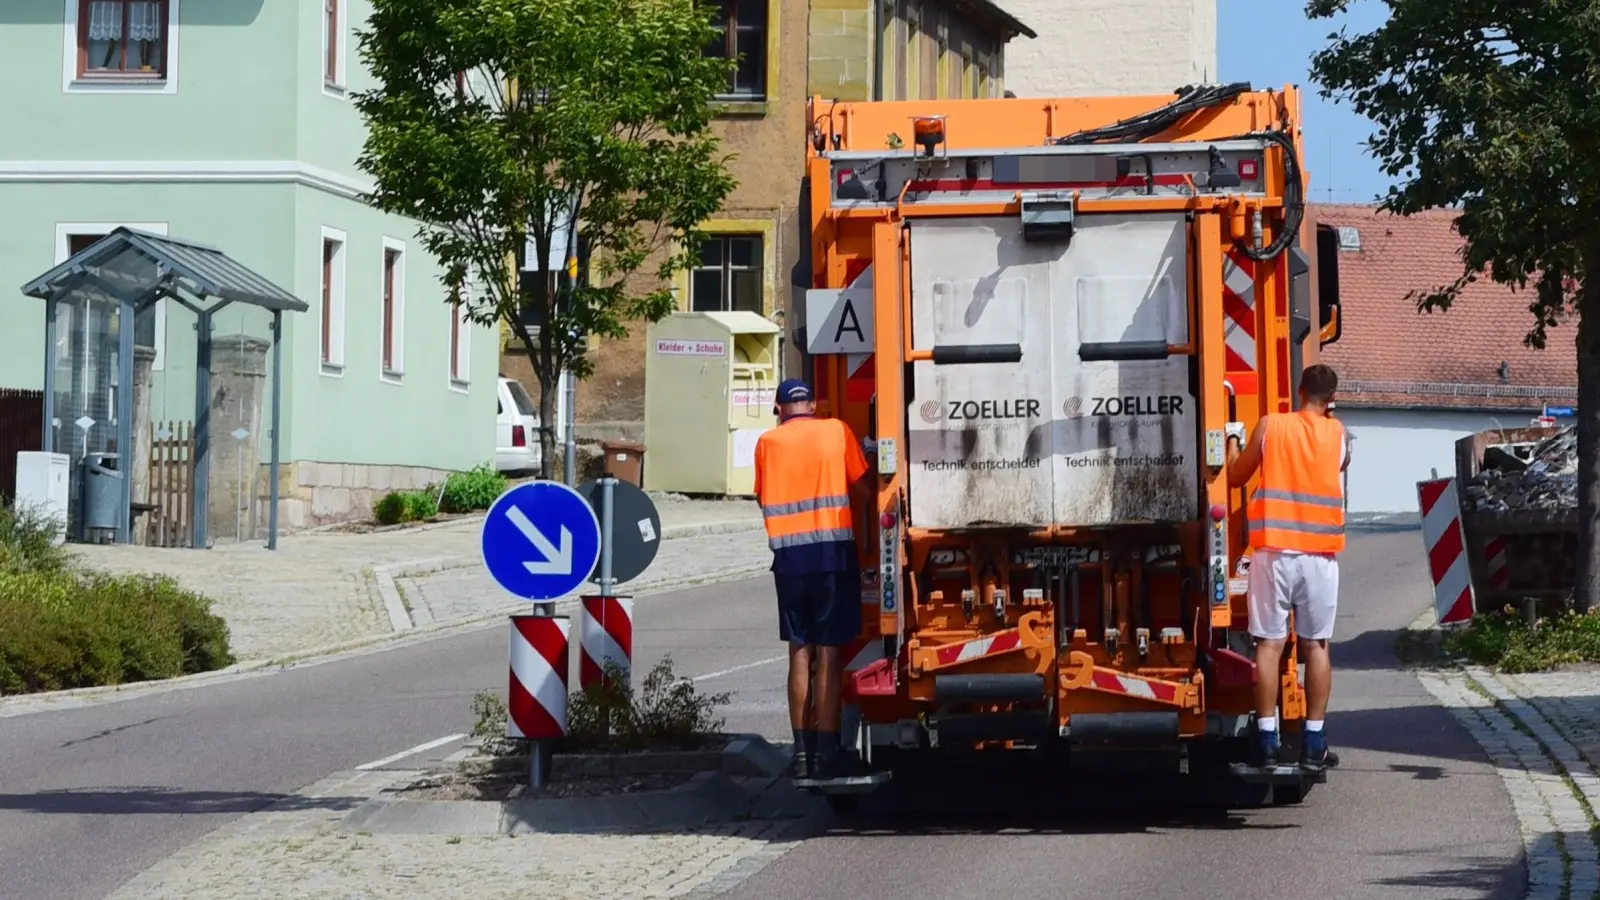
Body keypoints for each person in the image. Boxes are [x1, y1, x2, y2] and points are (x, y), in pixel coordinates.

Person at [1225, 363, 1351, 772]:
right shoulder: (1340, 434)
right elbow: (1340, 465)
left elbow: (1235, 476)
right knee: (1316, 645)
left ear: (1299, 391)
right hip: (1319, 557)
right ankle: (1314, 741)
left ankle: (1266, 739)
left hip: (1275, 554)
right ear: (1331, 399)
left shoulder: (1270, 425)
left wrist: (1230, 442)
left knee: (1269, 644)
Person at [753, 378, 874, 781]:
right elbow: (864, 488)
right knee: (830, 653)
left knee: (799, 653)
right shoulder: (836, 431)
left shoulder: (766, 444)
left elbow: (761, 496)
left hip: (789, 561)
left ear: (779, 408)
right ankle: (827, 749)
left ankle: (801, 753)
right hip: (833, 558)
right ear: (815, 404)